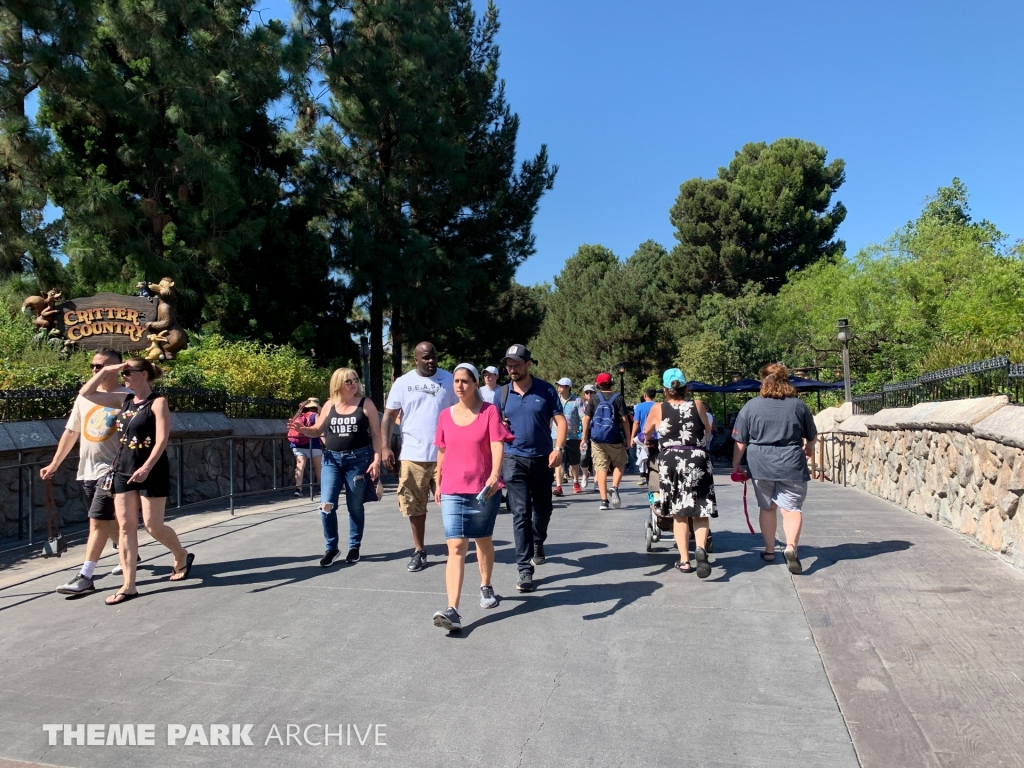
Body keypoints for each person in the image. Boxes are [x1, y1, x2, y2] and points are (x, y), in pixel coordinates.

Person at [82, 357, 193, 604]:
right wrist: (107, 370)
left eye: (129, 371)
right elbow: (85, 393)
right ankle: (129, 585)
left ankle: (181, 554)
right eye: (123, 372)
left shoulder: (158, 402)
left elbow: (162, 439)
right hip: (123, 470)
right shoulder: (124, 399)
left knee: (153, 526)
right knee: (125, 527)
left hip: (151, 469)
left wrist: (146, 467)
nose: (124, 376)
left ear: (144, 374)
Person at [431, 364, 513, 631]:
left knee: (483, 540)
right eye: (456, 381)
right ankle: (452, 610)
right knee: (455, 547)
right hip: (453, 487)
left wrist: (494, 474)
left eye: (465, 381)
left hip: (482, 487)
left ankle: (486, 585)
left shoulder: (489, 412)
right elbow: (442, 449)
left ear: (475, 383)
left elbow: (497, 444)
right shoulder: (445, 415)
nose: (459, 386)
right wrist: (438, 480)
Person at [43, 348, 131, 595]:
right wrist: (54, 464)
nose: (95, 370)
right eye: (93, 366)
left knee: (97, 521)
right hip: (87, 470)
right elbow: (71, 432)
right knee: (107, 521)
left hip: (112, 469)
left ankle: (86, 576)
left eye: (102, 366)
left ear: (116, 369)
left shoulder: (126, 396)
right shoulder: (84, 399)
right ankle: (130, 554)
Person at [288, 370, 382, 566]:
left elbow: (375, 434)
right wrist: (302, 430)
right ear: (338, 384)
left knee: (355, 506)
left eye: (355, 380)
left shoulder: (366, 404)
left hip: (358, 460)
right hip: (331, 460)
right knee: (326, 506)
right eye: (348, 381)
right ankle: (332, 548)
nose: (353, 384)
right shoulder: (330, 404)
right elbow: (317, 430)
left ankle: (354, 546)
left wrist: (376, 460)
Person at [731, 362, 818, 574]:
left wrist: (736, 465)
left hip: (760, 463)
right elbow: (812, 435)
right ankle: (790, 547)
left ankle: (770, 550)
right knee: (792, 509)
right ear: (786, 380)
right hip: (791, 462)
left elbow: (740, 441)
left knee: (767, 507)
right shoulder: (798, 406)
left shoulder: (751, 406)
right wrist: (809, 448)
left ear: (763, 381)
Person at [381, 342, 458, 572]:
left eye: (433, 356)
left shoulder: (450, 379)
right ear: (416, 360)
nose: (431, 361)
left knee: (451, 503)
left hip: (446, 454)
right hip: (413, 455)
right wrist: (385, 447)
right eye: (425, 358)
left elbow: (462, 411)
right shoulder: (403, 383)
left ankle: (455, 549)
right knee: (415, 506)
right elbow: (388, 416)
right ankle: (419, 550)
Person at [498, 344, 566, 593]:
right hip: (513, 458)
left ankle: (539, 540)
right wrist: (500, 425)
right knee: (520, 513)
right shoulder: (502, 393)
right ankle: (524, 568)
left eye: (516, 364)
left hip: (542, 458)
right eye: (509, 364)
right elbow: (494, 425)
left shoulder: (546, 390)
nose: (512, 368)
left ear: (528, 364)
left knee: (543, 509)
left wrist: (558, 449)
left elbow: (560, 420)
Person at [644, 368, 718, 578]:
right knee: (701, 508)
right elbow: (707, 430)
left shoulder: (658, 408)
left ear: (665, 390)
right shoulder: (697, 404)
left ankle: (685, 560)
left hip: (671, 462)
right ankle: (701, 548)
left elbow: (646, 432)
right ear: (685, 387)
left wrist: (650, 437)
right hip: (698, 458)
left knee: (680, 512)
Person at [581, 372, 631, 510]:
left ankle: (603, 501)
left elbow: (586, 418)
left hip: (597, 439)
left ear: (597, 385)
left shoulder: (594, 398)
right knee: (620, 463)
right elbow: (625, 420)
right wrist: (628, 438)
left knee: (601, 468)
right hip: (615, 438)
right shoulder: (618, 398)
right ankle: (614, 487)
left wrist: (584, 437)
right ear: (612, 382)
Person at [552, 378, 584, 495]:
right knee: (559, 461)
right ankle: (558, 486)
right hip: (556, 435)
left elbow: (584, 417)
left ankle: (575, 481)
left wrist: (584, 434)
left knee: (574, 462)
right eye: (558, 385)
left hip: (573, 436)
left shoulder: (577, 401)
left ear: (568, 387)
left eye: (561, 386)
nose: (559, 387)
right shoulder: (554, 400)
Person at [288, 398, 322, 496]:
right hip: (314, 443)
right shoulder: (315, 416)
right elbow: (320, 429)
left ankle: (298, 489)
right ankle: (321, 487)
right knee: (318, 467)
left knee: (300, 466)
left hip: (298, 444)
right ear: (316, 407)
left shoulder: (299, 416)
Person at [630, 388, 657, 485]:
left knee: (642, 456)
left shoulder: (639, 407)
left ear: (645, 395)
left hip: (643, 436)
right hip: (656, 436)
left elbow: (636, 423)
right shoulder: (659, 406)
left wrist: (632, 438)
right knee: (654, 456)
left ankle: (644, 476)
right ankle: (654, 475)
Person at [579, 384, 596, 490]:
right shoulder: (581, 404)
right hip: (583, 434)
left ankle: (597, 482)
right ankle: (585, 474)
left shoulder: (598, 403)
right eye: (587, 392)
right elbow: (582, 419)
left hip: (595, 433)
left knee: (596, 458)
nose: (589, 394)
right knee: (583, 458)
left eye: (591, 392)